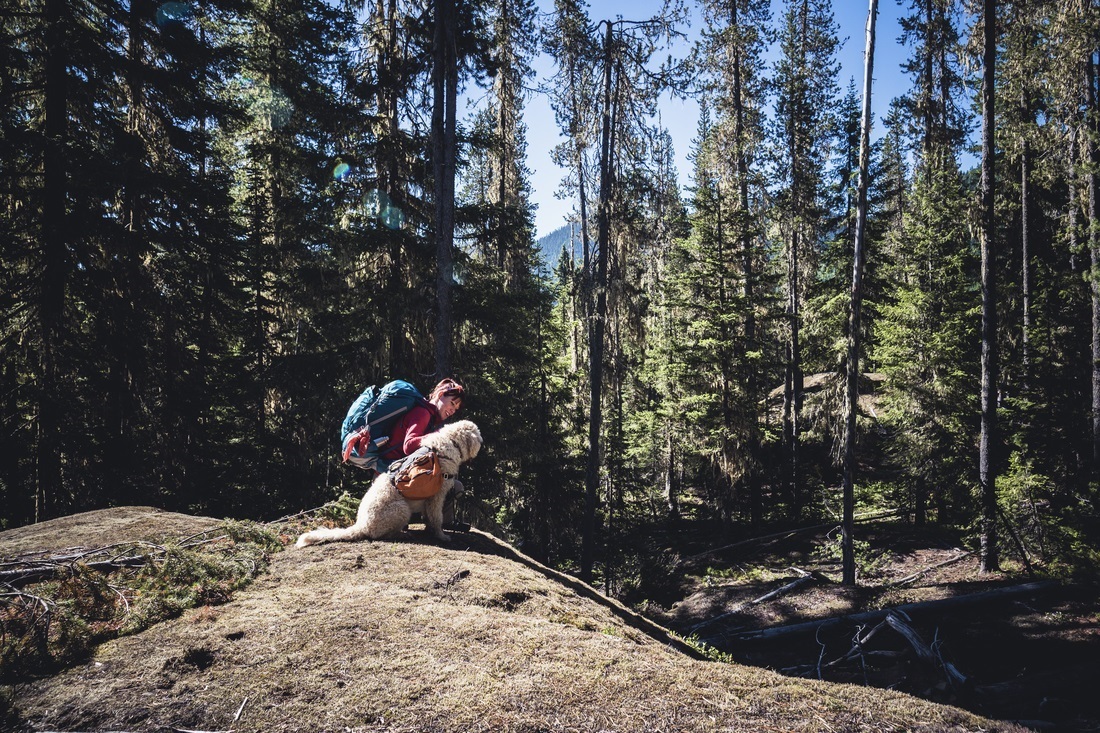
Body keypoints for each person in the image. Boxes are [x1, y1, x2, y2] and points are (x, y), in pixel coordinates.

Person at [378, 378, 469, 531]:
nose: (453, 410)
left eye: (456, 408)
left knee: (452, 483)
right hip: (394, 478)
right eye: (452, 403)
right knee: (453, 486)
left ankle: (441, 521)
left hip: (397, 474)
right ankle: (440, 522)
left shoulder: (429, 416)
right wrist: (439, 437)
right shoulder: (423, 413)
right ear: (440, 395)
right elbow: (409, 445)